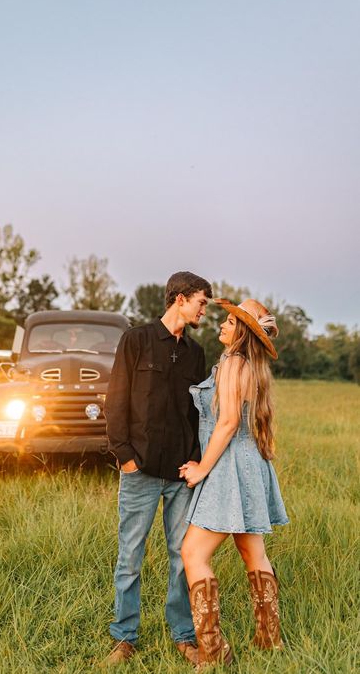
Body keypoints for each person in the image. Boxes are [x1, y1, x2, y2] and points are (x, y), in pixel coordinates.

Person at [103, 271, 213, 666]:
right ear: (180, 299)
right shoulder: (135, 340)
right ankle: (125, 638)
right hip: (141, 471)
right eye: (201, 302)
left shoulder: (196, 354)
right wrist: (125, 457)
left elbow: (198, 414)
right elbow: (115, 401)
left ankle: (184, 636)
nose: (205, 310)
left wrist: (198, 459)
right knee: (130, 555)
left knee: (181, 556)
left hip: (181, 475)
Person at [179, 298, 289, 669]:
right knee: (253, 555)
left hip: (228, 466)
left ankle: (213, 653)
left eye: (229, 321)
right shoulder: (251, 366)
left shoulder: (233, 363)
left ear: (242, 332)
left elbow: (227, 423)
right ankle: (269, 641)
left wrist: (200, 469)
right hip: (249, 462)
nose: (222, 326)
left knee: (193, 553)